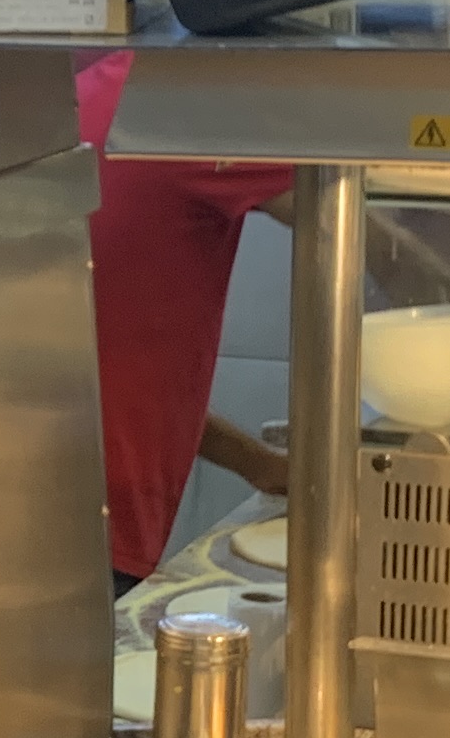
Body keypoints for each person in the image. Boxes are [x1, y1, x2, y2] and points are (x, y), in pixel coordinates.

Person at [80, 51, 292, 588]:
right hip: (91, 518)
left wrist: (260, 465)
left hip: (62, 493)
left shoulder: (108, 89)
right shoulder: (192, 107)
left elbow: (120, 372)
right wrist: (437, 282)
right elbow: (344, 216)